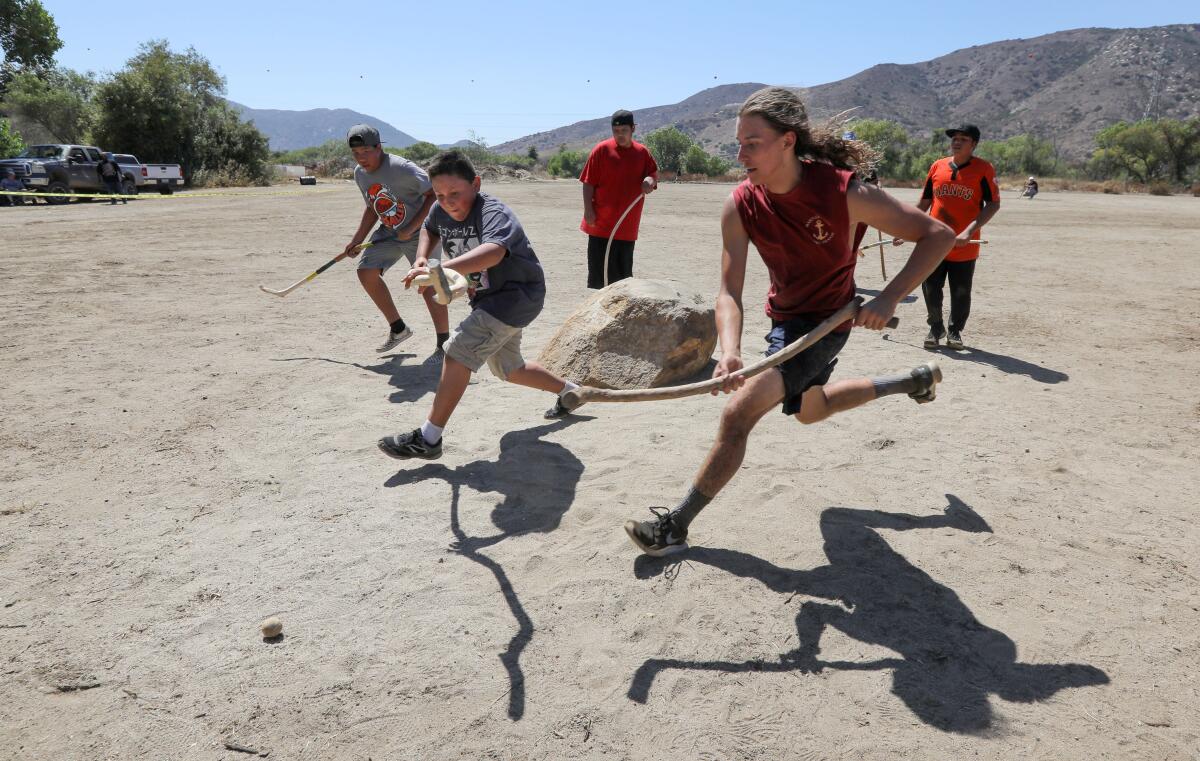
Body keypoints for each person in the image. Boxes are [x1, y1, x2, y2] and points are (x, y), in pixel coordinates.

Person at [622, 86, 956, 557]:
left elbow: (938, 235)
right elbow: (729, 293)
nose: (741, 155)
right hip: (784, 323)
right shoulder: (741, 203)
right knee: (809, 411)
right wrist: (731, 349)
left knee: (738, 414)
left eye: (752, 143)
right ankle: (909, 381)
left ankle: (675, 526)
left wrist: (890, 296)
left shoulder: (844, 192)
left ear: (787, 141)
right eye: (739, 143)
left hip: (828, 323)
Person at [376, 150, 584, 460]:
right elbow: (430, 228)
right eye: (440, 194)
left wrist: (441, 270)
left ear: (476, 183)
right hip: (487, 299)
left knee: (457, 351)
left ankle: (429, 438)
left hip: (516, 296)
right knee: (509, 369)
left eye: (455, 193)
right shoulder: (440, 209)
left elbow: (493, 252)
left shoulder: (493, 212)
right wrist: (422, 256)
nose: (447, 201)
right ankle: (570, 392)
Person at [898, 125, 1001, 350]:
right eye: (955, 138)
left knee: (961, 291)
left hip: (964, 244)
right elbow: (925, 202)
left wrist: (968, 231)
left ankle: (955, 331)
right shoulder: (937, 166)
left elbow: (993, 204)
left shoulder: (984, 169)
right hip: (934, 242)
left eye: (963, 139)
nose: (957, 142)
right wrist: (906, 228)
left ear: (973, 144)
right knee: (931, 288)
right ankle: (935, 328)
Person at [343, 124, 441, 355]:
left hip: (423, 231)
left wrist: (411, 227)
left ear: (379, 147)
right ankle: (398, 329)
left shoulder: (402, 168)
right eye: (356, 154)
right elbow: (372, 206)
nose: (361, 158)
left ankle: (444, 344)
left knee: (429, 285)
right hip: (390, 231)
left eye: (366, 152)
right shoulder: (360, 173)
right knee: (366, 272)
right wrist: (357, 239)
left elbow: (434, 195)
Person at [579, 109, 659, 289]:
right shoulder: (601, 150)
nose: (620, 135)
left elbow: (653, 173)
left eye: (624, 131)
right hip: (601, 224)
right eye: (616, 131)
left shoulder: (642, 153)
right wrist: (588, 211)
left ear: (633, 129)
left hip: (626, 226)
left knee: (623, 280)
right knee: (600, 279)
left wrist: (650, 181)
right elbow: (588, 182)